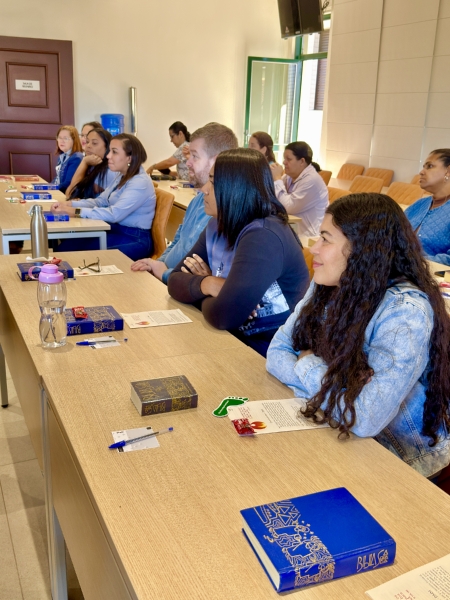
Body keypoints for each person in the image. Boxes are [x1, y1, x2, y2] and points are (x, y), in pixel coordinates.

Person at [266, 193, 450, 478]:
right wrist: (336, 391)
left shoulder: (405, 312)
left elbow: (364, 418)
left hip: (400, 459)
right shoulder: (330, 281)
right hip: (340, 430)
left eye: (325, 239)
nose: (315, 249)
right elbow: (276, 352)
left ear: (362, 249)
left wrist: (306, 362)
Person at [168, 148, 310, 357]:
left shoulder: (263, 235)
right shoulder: (218, 224)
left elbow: (223, 316)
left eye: (213, 182)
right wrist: (209, 284)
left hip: (268, 353)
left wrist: (207, 292)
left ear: (237, 188)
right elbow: (175, 281)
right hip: (233, 341)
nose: (204, 189)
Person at [131, 122, 238, 283]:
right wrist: (157, 264)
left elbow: (195, 272)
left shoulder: (221, 212)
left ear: (216, 161)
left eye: (195, 156)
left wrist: (164, 273)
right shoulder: (198, 200)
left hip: (179, 285)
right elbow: (178, 240)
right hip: (169, 280)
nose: (187, 162)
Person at [51, 133, 156, 261]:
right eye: (110, 151)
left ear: (129, 158)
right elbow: (101, 201)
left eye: (114, 152)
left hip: (134, 238)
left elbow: (114, 214)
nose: (108, 156)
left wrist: (76, 212)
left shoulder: (140, 181)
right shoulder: (122, 176)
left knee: (71, 255)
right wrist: (70, 204)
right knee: (65, 248)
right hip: (115, 229)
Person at [271, 141, 328, 237]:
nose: (284, 162)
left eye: (289, 159)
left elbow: (288, 207)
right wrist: (271, 177)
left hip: (309, 236)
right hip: (292, 230)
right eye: (284, 158)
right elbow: (272, 196)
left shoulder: (311, 180)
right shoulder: (289, 176)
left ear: (302, 161)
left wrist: (277, 178)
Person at [405, 148, 450, 266]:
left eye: (429, 166)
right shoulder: (419, 204)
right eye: (423, 167)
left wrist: (413, 263)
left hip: (431, 274)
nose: (421, 172)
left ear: (448, 171)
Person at [65, 128, 116, 199]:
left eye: (94, 143)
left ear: (107, 147)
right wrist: (84, 162)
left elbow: (72, 193)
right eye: (87, 142)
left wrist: (84, 162)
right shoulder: (92, 166)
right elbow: (69, 193)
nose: (88, 145)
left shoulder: (109, 171)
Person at [52, 126, 83, 193]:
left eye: (65, 138)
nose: (61, 141)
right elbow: (57, 178)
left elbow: (68, 183)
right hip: (58, 191)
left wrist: (50, 188)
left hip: (66, 194)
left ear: (74, 140)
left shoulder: (76, 158)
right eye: (60, 138)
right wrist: (47, 186)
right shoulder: (62, 155)